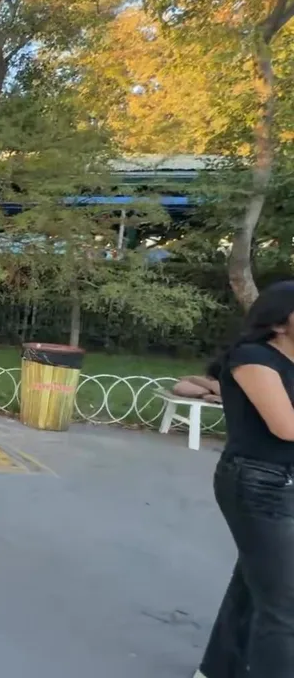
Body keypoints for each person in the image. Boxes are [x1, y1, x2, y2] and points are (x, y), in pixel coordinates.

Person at [195, 280, 294, 678]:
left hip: (284, 483)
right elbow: (286, 426)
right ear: (279, 321)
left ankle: (216, 670)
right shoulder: (252, 357)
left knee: (255, 586)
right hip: (257, 483)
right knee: (284, 605)